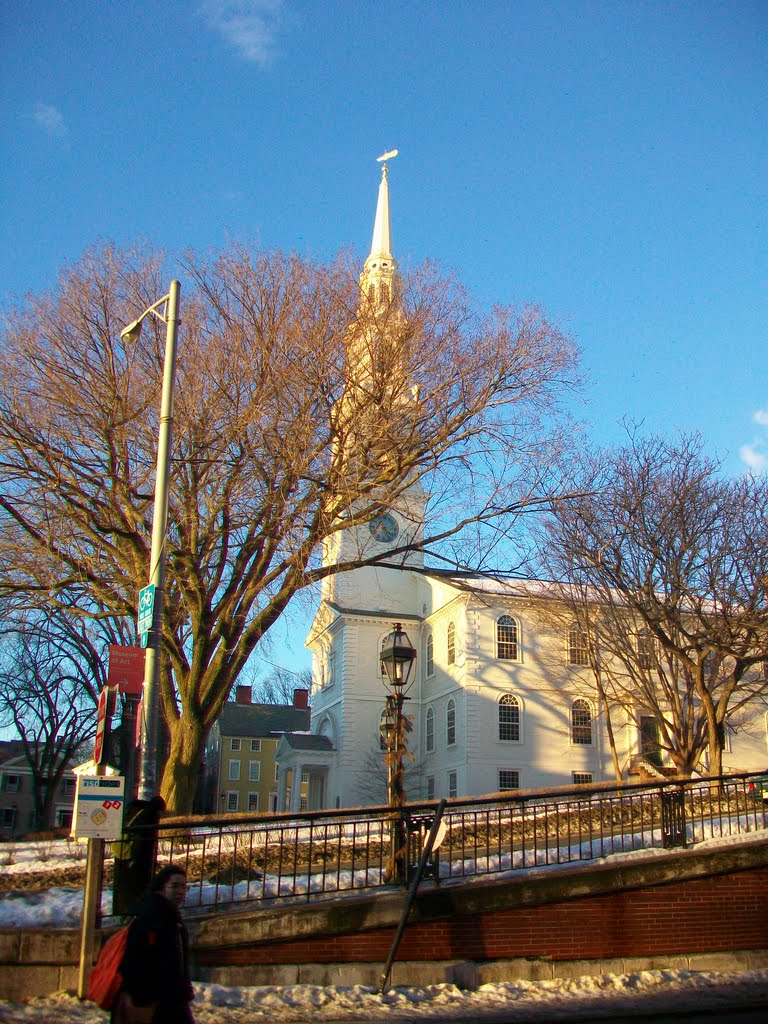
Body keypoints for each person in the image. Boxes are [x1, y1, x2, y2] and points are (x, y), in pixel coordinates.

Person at [112, 864, 195, 1024]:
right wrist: (141, 999)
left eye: (184, 887)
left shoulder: (168, 914)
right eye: (175, 886)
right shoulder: (152, 917)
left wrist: (184, 989)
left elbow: (177, 960)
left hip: (170, 998)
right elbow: (134, 960)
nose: (180, 892)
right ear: (161, 887)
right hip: (155, 1001)